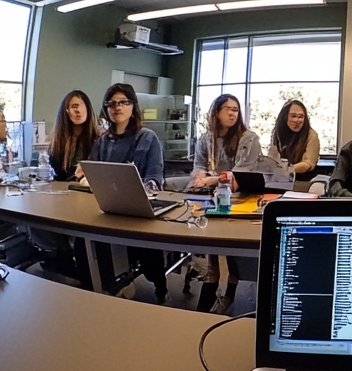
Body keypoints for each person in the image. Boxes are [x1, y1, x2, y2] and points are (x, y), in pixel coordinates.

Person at [85, 84, 169, 303]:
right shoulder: (102, 142)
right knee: (87, 241)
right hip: (107, 207)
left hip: (138, 211)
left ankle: (161, 289)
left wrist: (141, 188)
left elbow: (154, 179)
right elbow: (93, 173)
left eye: (123, 102)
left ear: (133, 106)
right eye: (111, 103)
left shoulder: (147, 138)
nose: (117, 107)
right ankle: (106, 286)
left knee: (148, 252)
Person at [187, 94, 262, 314]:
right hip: (210, 199)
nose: (232, 113)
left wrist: (211, 178)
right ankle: (211, 285)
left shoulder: (249, 138)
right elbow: (198, 166)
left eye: (236, 110)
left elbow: (241, 174)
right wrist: (200, 176)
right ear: (216, 112)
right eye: (227, 109)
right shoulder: (206, 139)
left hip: (242, 201)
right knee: (209, 245)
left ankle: (229, 292)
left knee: (231, 250)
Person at [49, 90, 99, 181]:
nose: (78, 111)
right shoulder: (58, 142)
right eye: (74, 106)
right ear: (66, 111)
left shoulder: (98, 140)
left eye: (82, 105)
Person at [269, 99, 320, 176]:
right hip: (280, 176)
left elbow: (308, 164)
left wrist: (286, 170)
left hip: (303, 178)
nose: (297, 120)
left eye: (300, 117)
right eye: (293, 116)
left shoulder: (312, 136)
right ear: (285, 117)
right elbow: (272, 158)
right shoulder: (277, 132)